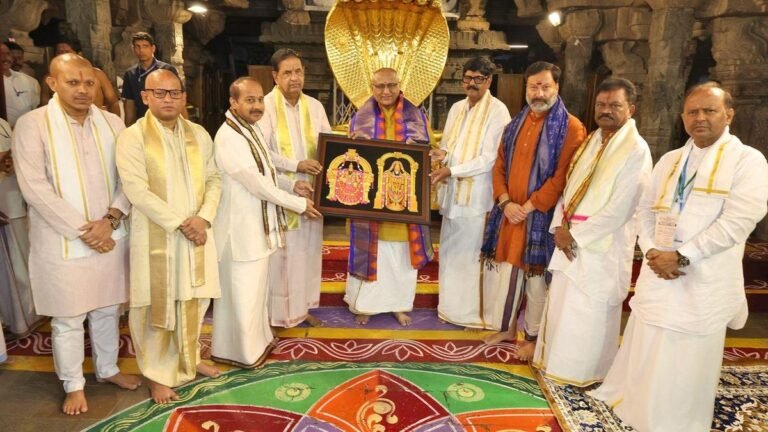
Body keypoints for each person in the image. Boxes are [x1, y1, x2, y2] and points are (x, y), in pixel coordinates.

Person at [590, 83, 768, 431]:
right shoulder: (671, 160)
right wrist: (653, 249)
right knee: (649, 339)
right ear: (683, 117)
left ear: (728, 115)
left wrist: (683, 256)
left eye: (709, 110)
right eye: (692, 112)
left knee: (684, 355)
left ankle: (674, 420)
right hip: (659, 268)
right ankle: (635, 405)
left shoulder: (749, 161)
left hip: (703, 277)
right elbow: (645, 210)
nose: (699, 117)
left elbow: (737, 222)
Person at [12, 54, 141, 415]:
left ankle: (108, 368)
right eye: (73, 82)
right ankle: (73, 384)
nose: (83, 90)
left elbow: (129, 178)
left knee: (107, 308)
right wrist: (84, 230)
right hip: (62, 239)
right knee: (68, 318)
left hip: (110, 232)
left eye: (89, 83)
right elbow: (34, 187)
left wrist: (111, 219)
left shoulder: (113, 123)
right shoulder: (32, 125)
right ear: (52, 84)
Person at [531, 77, 652, 385]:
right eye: (601, 105)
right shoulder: (593, 140)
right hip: (568, 237)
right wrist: (559, 226)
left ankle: (585, 373)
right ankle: (556, 365)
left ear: (631, 109)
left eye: (615, 105)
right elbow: (569, 188)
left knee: (589, 311)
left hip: (602, 246)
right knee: (563, 307)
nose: (606, 111)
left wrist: (576, 236)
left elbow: (622, 208)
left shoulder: (636, 150)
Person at [116, 69, 221, 403]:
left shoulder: (200, 134)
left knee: (193, 301)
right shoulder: (132, 137)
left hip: (197, 234)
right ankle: (155, 375)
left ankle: (190, 360)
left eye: (175, 93)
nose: (168, 99)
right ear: (145, 96)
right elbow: (136, 190)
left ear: (184, 97)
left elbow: (215, 179)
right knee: (153, 308)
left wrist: (203, 218)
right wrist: (181, 223)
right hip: (157, 235)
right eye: (160, 93)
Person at [211, 77, 321, 368]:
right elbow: (255, 183)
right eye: (249, 100)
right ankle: (243, 353)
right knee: (243, 293)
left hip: (256, 225)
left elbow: (267, 169)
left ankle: (258, 341)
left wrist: (291, 186)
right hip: (240, 230)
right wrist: (297, 203)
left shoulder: (250, 129)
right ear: (233, 103)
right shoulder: (229, 137)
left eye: (259, 99)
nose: (257, 105)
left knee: (256, 290)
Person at [480, 61, 586, 361]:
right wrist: (505, 202)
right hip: (510, 214)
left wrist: (526, 207)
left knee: (537, 282)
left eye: (545, 86)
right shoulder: (515, 123)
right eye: (533, 86)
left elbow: (563, 177)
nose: (538, 93)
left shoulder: (572, 128)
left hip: (540, 218)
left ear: (557, 88)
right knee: (509, 274)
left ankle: (533, 337)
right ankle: (506, 328)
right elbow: (499, 165)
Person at [344, 67, 434, 326]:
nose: (386, 91)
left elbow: (427, 151)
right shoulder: (360, 116)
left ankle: (399, 304)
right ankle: (366, 305)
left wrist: (422, 152)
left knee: (400, 255)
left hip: (404, 201)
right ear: (372, 88)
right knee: (375, 251)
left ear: (399, 84)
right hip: (371, 202)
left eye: (391, 85)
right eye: (380, 86)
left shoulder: (415, 115)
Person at [429, 57, 511, 329]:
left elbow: (490, 158)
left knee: (470, 256)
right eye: (468, 78)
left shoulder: (498, 111)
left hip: (476, 197)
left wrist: (451, 171)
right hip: (452, 194)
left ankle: (473, 315)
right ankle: (449, 308)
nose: (472, 84)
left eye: (478, 79)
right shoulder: (456, 108)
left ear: (489, 81)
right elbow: (451, 144)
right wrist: (443, 154)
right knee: (451, 253)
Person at [258, 48, 330, 328]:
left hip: (313, 191)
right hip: (281, 191)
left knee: (309, 253)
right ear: (275, 76)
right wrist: (296, 164)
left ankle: (302, 309)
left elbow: (327, 143)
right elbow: (262, 153)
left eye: (298, 71)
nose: (294, 78)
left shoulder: (314, 106)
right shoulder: (264, 107)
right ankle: (277, 315)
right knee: (283, 256)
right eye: (287, 72)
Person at [0, 108, 44, 339]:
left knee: (20, 262)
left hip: (12, 200)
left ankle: (26, 317)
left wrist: (10, 159)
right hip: (6, 202)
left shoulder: (4, 124)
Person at [40, 39, 121, 116]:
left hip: (96, 123)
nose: (63, 55)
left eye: (89, 83)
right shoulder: (50, 78)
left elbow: (113, 102)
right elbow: (46, 106)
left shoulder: (97, 74)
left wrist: (114, 126)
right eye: (59, 52)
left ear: (79, 54)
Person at [121, 32, 180, 126]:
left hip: (165, 122)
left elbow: (178, 97)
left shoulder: (167, 69)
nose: (141, 50)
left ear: (153, 48)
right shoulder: (130, 74)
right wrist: (128, 129)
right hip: (142, 124)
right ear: (133, 49)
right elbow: (129, 105)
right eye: (138, 46)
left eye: (145, 46)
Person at [1, 42, 40, 126]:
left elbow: (36, 108)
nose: (5, 58)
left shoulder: (30, 81)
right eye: (0, 54)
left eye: (7, 54)